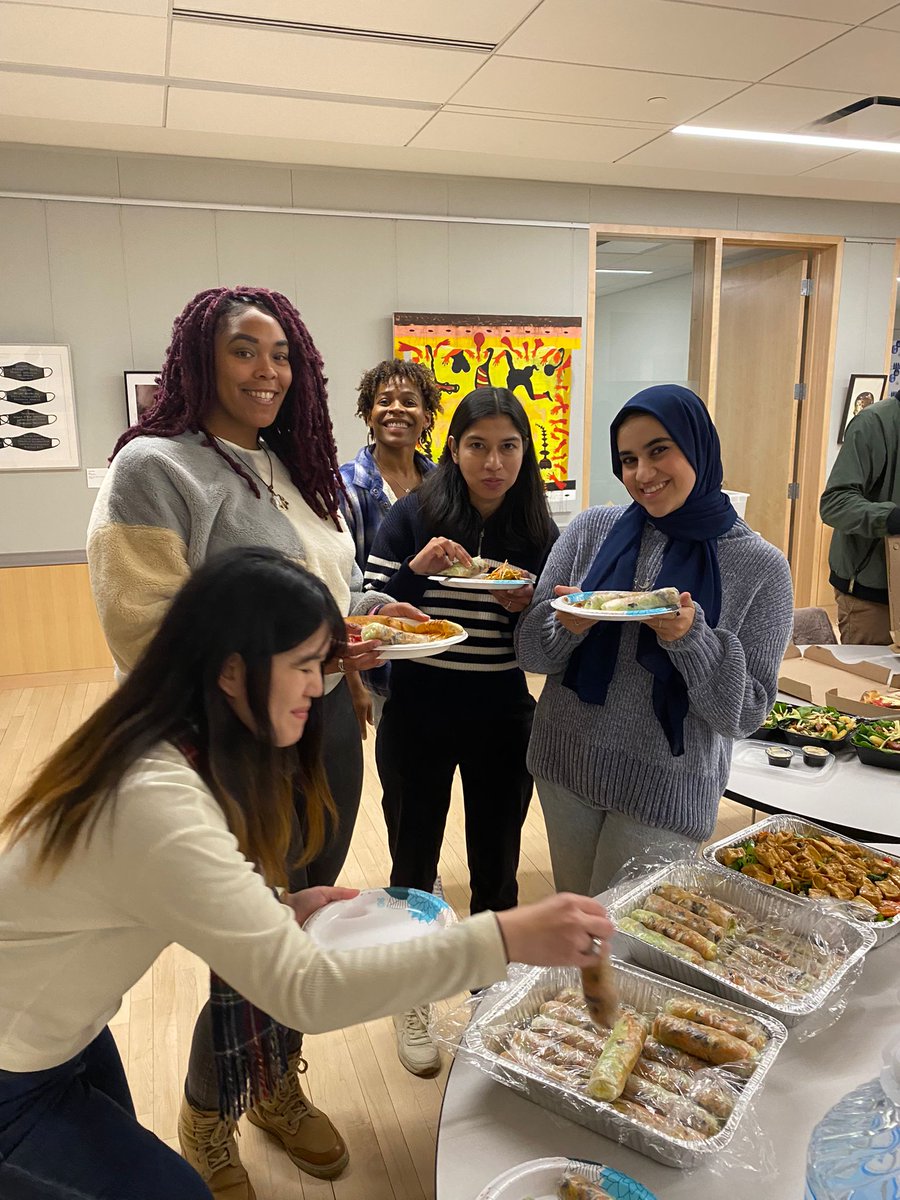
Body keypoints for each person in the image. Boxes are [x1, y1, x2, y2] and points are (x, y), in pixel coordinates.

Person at [0, 548, 613, 1200]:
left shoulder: (169, 742)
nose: (318, 688)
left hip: (58, 1032)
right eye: (301, 667)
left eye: (323, 664)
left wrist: (276, 907)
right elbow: (306, 991)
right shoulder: (154, 797)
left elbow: (163, 884)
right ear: (232, 673)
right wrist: (507, 938)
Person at [86, 286, 424, 1192]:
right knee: (252, 942)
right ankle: (208, 1112)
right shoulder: (157, 469)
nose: (266, 371)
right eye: (244, 350)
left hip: (325, 728)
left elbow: (320, 597)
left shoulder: (296, 468)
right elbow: (144, 626)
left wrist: (364, 618)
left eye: (280, 354)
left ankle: (273, 1085)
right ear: (199, 357)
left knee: (310, 918)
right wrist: (297, 654)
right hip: (231, 745)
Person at [515, 385, 794, 897]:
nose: (643, 474)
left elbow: (746, 713)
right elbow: (530, 650)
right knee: (577, 927)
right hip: (566, 762)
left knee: (624, 952)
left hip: (667, 787)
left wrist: (693, 640)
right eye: (627, 459)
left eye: (659, 450)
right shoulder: (590, 529)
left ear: (698, 447)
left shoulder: (761, 567)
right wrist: (568, 625)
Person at [365, 386, 559, 1077]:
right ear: (453, 449)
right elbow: (368, 608)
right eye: (478, 445)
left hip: (502, 711)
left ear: (524, 454)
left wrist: (527, 607)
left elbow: (552, 638)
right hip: (417, 708)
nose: (493, 462)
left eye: (509, 447)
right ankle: (412, 995)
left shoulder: (537, 529)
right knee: (412, 862)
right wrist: (414, 582)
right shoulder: (414, 515)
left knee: (497, 866)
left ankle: (490, 998)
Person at [339, 358, 441, 720]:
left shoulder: (445, 486)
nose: (396, 408)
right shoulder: (344, 488)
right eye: (384, 401)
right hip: (381, 663)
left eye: (409, 401)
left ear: (427, 417)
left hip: (444, 654)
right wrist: (352, 682)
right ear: (368, 415)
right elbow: (341, 588)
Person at [821, 390, 900, 645]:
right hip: (873, 599)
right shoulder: (875, 423)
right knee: (870, 684)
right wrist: (890, 517)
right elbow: (834, 503)